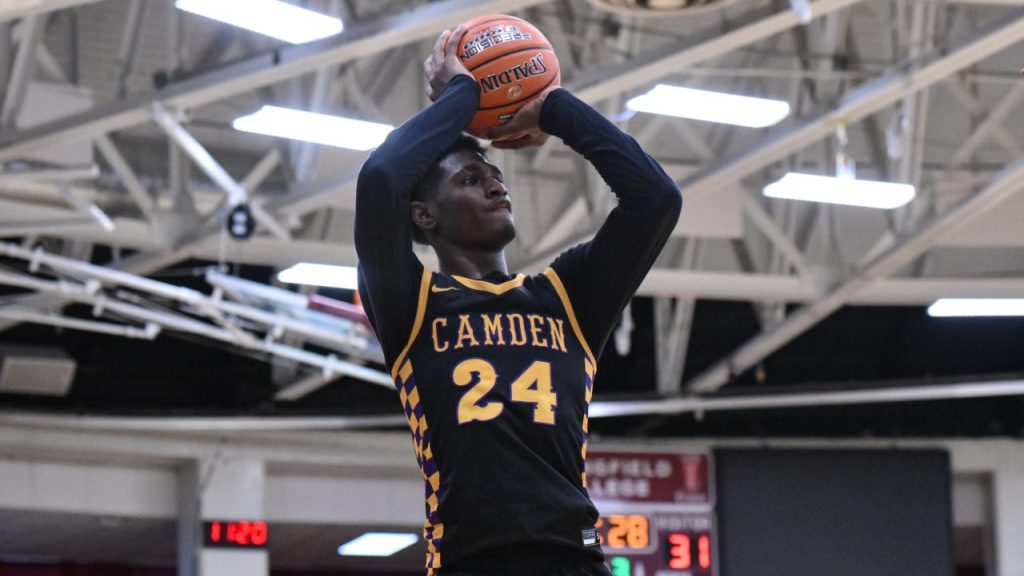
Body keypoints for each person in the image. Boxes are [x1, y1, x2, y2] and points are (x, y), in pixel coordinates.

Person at [354, 25, 681, 576]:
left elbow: (655, 199)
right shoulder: (411, 304)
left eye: (495, 175)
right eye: (470, 179)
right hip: (472, 561)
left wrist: (549, 104)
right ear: (424, 215)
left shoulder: (566, 298)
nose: (495, 186)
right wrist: (464, 96)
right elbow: (384, 177)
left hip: (575, 560)